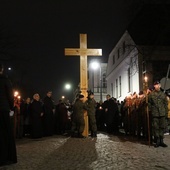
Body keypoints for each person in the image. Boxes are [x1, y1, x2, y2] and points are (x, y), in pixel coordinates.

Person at [0, 62, 17, 166]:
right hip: (3, 110)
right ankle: (6, 157)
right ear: (1, 70)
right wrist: (11, 107)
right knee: (5, 133)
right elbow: (10, 96)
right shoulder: (5, 80)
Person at [148, 81, 168, 147]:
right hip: (155, 113)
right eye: (155, 85)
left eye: (157, 85)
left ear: (160, 85)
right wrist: (151, 109)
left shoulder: (163, 94)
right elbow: (149, 103)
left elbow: (165, 104)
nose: (156, 86)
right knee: (156, 127)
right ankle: (157, 140)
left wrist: (166, 112)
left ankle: (161, 140)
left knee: (162, 127)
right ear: (154, 86)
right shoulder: (151, 94)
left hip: (162, 113)